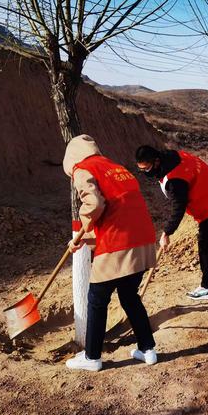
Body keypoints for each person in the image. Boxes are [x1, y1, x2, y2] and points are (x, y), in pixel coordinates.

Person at [63, 135, 157, 372]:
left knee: (96, 300)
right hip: (142, 240)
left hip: (118, 244)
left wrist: (82, 231)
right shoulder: (117, 168)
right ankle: (147, 349)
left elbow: (94, 205)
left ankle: (92, 356)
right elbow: (118, 210)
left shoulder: (83, 168)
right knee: (129, 296)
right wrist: (82, 238)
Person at [135, 146, 208, 301]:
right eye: (141, 170)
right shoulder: (174, 156)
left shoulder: (174, 179)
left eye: (147, 169)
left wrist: (167, 232)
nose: (146, 173)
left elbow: (178, 208)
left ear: (156, 161)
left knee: (206, 245)